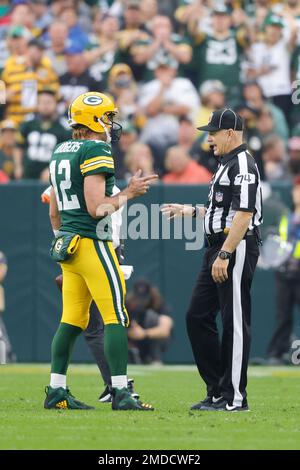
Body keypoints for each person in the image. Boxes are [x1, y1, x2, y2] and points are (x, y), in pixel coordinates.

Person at [44, 91, 157, 410]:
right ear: (93, 119)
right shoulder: (97, 149)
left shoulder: (61, 150)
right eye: (108, 116)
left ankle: (56, 390)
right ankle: (120, 391)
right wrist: (130, 193)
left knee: (71, 321)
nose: (112, 122)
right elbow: (97, 208)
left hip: (67, 245)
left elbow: (55, 211)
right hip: (93, 243)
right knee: (115, 317)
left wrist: (61, 240)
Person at [162, 108, 263, 412]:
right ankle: (218, 390)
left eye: (213, 133)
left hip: (234, 245)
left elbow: (244, 215)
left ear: (230, 132)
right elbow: (224, 210)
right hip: (218, 245)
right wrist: (191, 211)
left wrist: (225, 253)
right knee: (197, 316)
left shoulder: (243, 162)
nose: (209, 140)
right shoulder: (226, 163)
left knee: (233, 321)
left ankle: (235, 396)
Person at [266, 176, 300, 364]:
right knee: (283, 315)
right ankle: (277, 353)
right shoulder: (287, 218)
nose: (298, 193)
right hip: (285, 272)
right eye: (296, 189)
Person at [126, 279, 173, 365]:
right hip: (134, 341)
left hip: (153, 341)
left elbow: (165, 330)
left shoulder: (160, 304)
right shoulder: (129, 305)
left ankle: (155, 358)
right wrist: (130, 332)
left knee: (151, 317)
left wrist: (143, 333)